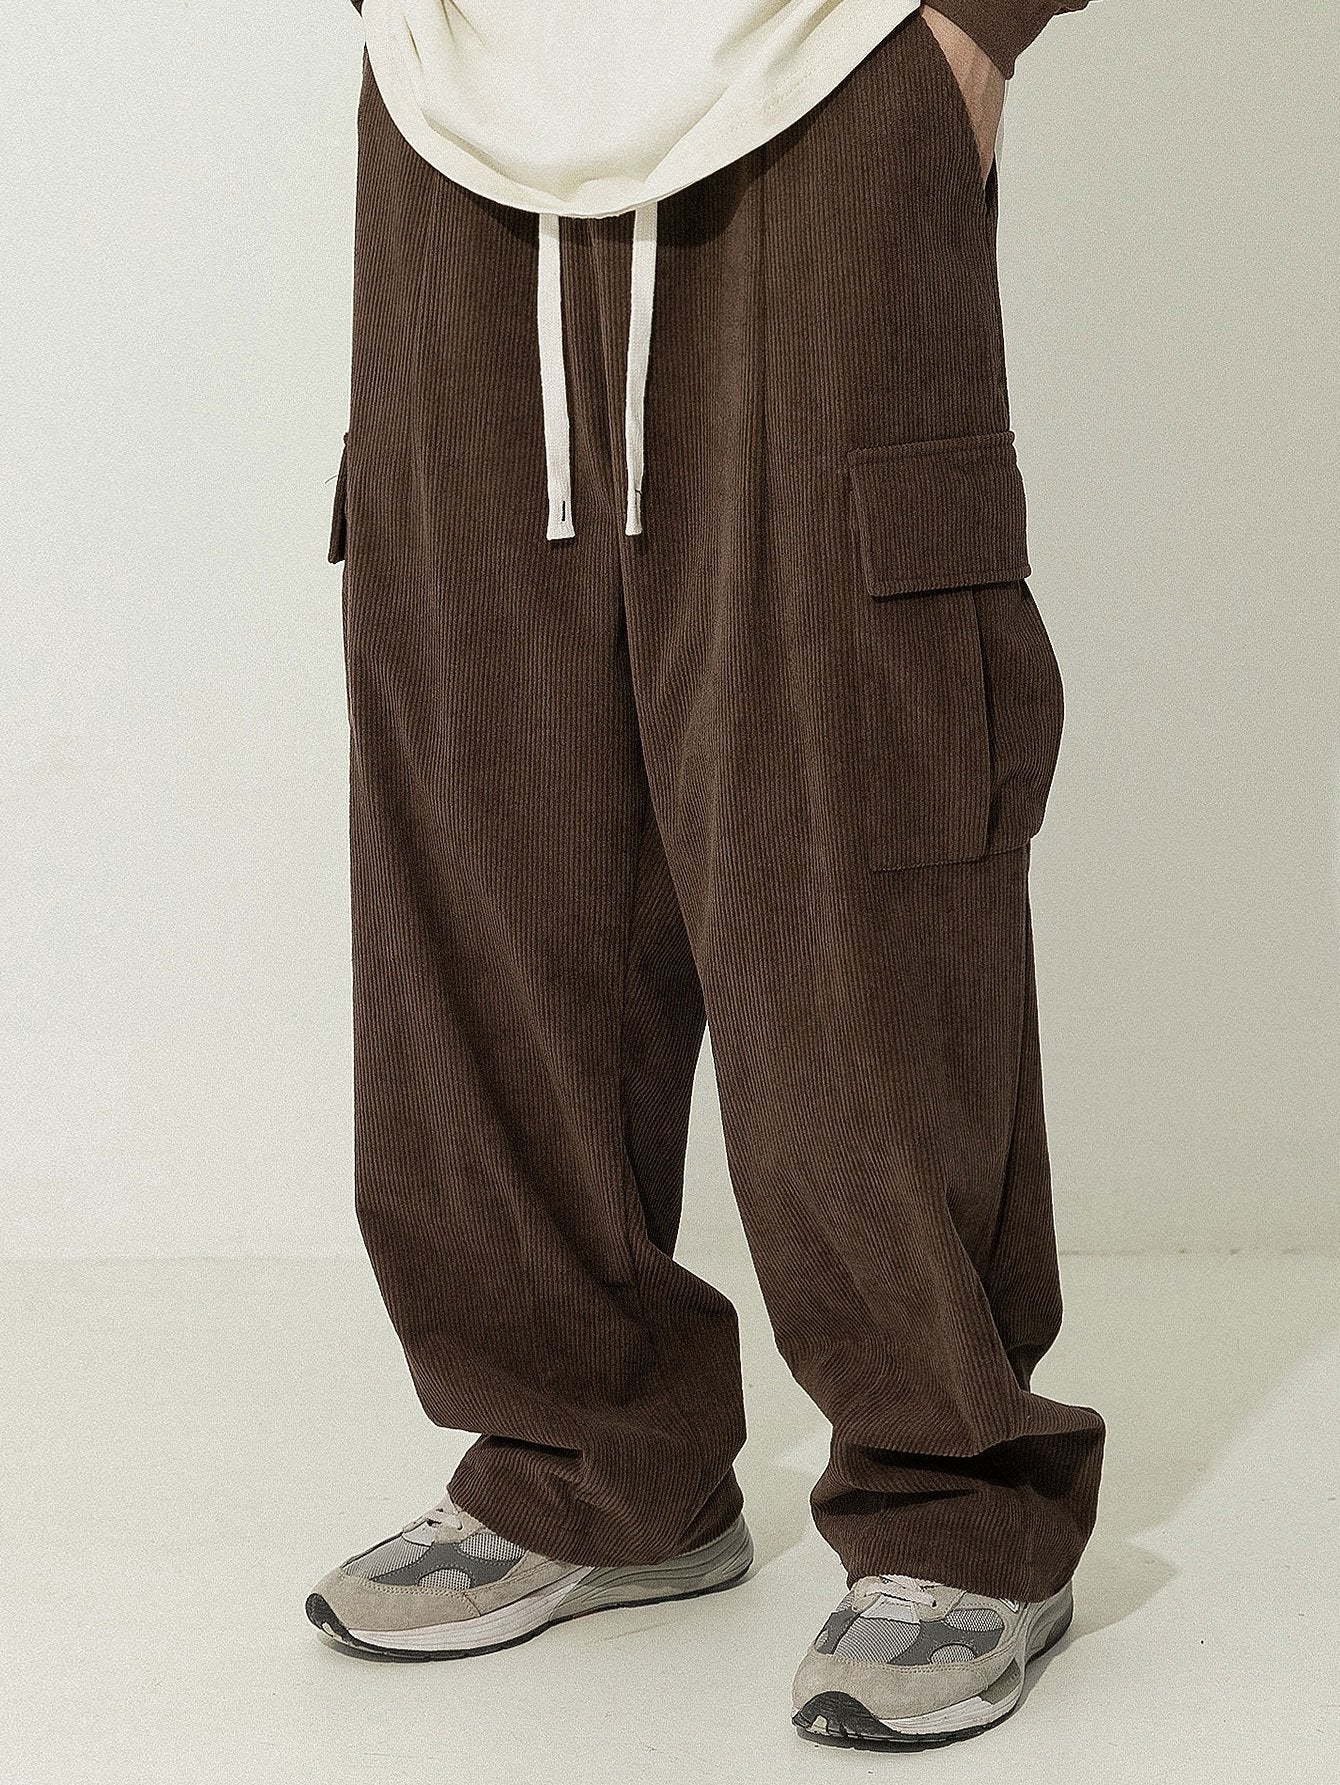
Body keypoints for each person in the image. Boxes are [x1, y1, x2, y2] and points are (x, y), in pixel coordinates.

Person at [307, 0, 1105, 1748]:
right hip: (457, 94)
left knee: (851, 773)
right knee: (484, 782)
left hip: (830, 60)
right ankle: (587, 1452)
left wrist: (977, 23)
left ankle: (952, 1497)